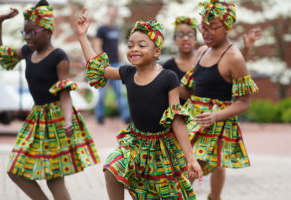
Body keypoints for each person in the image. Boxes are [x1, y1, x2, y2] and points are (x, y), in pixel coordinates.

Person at [77, 8, 202, 200]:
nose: (134, 49)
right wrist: (82, 36)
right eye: (130, 45)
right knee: (111, 168)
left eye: (142, 45)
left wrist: (190, 158)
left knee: (160, 194)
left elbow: (177, 119)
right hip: (135, 142)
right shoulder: (127, 72)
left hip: (162, 146)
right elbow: (98, 68)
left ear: (156, 51)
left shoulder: (168, 77)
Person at [0, 1, 100, 199]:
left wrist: (68, 119)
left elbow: (65, 93)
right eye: (24, 32)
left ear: (48, 31)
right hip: (37, 118)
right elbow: (0, 56)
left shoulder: (59, 57)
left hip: (56, 119)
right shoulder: (27, 52)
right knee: (15, 170)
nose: (27, 37)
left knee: (54, 178)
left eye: (32, 32)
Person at [178, 1, 259, 200]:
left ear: (227, 26)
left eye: (212, 27)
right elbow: (189, 92)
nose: (206, 32)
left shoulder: (234, 58)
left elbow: (243, 102)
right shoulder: (201, 52)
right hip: (194, 119)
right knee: (185, 163)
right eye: (202, 27)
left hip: (216, 124)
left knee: (194, 166)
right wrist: (159, 78)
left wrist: (215, 115)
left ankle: (213, 196)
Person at [163, 16, 261, 105]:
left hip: (214, 115)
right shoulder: (168, 66)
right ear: (174, 39)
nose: (185, 38)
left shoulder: (208, 56)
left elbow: (234, 70)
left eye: (190, 34)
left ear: (195, 38)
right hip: (187, 116)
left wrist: (246, 50)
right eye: (180, 35)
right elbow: (190, 93)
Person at [92, 5, 130, 125]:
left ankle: (126, 117)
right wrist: (101, 64)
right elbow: (97, 46)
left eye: (114, 13)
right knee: (101, 93)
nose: (112, 15)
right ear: (107, 14)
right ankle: (100, 116)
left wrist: (121, 61)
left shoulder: (116, 29)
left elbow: (117, 47)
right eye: (110, 13)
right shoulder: (101, 29)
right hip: (104, 65)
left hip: (116, 64)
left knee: (119, 92)